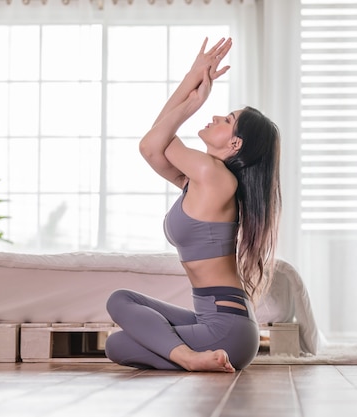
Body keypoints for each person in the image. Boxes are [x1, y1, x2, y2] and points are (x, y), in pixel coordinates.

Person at [105, 37, 281, 372]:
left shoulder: (214, 175)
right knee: (118, 338)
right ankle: (194, 357)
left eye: (227, 119)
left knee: (120, 308)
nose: (215, 116)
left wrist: (194, 98)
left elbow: (150, 142)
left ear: (235, 143)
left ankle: (189, 357)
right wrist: (192, 78)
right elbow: (155, 145)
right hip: (217, 322)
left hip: (226, 331)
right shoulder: (202, 180)